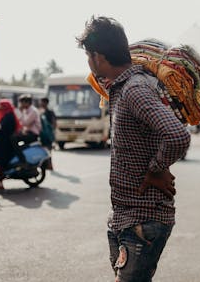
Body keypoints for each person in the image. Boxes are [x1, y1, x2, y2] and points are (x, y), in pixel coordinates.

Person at [77, 16, 190, 281]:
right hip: (124, 216)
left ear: (98, 56)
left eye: (88, 55)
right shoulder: (122, 88)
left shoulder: (134, 90)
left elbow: (178, 136)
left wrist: (156, 169)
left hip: (144, 218)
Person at [0, 99, 22, 190]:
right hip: (0, 142)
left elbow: (1, 126)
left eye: (2, 106)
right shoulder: (4, 115)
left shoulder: (9, 116)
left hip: (5, 143)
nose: (0, 108)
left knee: (0, 162)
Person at [12, 94, 41, 166]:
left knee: (13, 138)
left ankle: (22, 159)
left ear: (27, 102)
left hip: (33, 134)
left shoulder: (33, 111)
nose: (20, 104)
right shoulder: (27, 110)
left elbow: (25, 122)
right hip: (28, 133)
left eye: (22, 102)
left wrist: (20, 112)